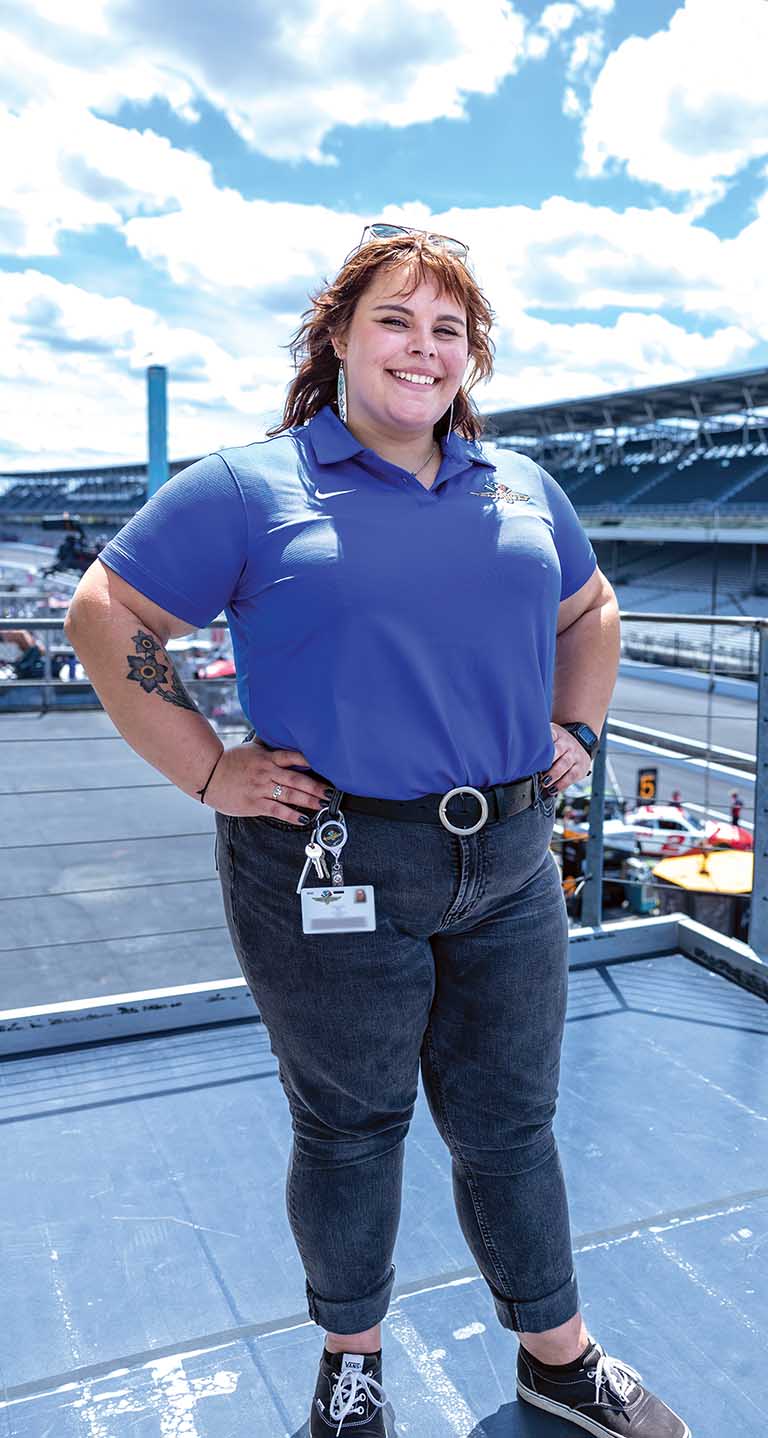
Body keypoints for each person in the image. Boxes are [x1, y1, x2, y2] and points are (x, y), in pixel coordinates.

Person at [64, 223, 690, 1438]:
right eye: (395, 319)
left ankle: (556, 1356)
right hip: (328, 860)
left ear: (472, 358)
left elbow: (592, 602)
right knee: (351, 1128)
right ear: (340, 338)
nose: (423, 346)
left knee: (513, 1120)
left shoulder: (520, 486)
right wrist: (206, 770)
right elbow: (108, 609)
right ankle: (352, 1363)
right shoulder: (253, 485)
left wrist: (579, 722)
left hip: (508, 860)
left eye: (448, 328)